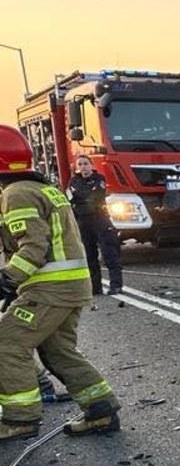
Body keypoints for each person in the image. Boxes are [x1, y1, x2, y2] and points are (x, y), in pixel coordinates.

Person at [0, 125, 121, 443]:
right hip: (70, 285)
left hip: (49, 289)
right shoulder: (43, 188)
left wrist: (6, 280)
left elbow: (32, 248)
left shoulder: (16, 193)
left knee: (7, 344)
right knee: (57, 351)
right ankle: (101, 410)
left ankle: (20, 419)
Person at [68, 155, 122, 295]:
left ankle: (116, 285)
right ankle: (95, 287)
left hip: (100, 219)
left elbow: (97, 195)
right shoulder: (73, 181)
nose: (83, 166)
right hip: (83, 222)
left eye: (86, 163)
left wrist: (81, 197)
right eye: (80, 164)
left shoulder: (100, 179)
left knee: (109, 252)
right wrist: (83, 196)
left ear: (91, 165)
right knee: (89, 255)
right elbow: (70, 198)